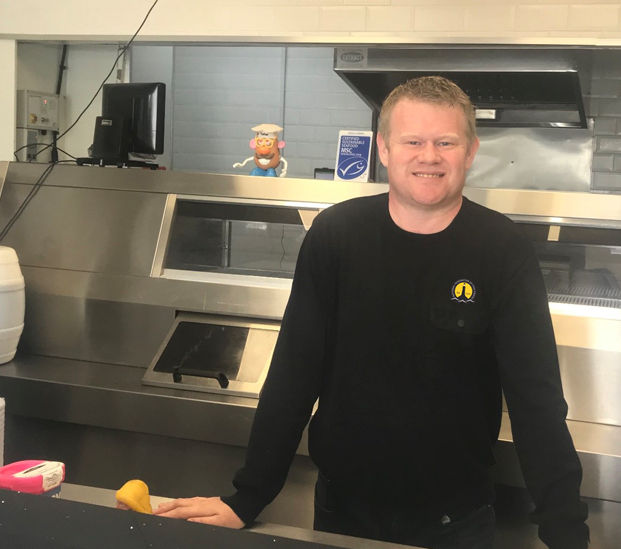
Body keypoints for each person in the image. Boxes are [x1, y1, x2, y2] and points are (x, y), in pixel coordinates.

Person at [155, 76, 589, 549]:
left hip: (457, 523)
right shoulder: (336, 236)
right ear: (384, 149)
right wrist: (248, 496)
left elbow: (537, 404)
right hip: (341, 514)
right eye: (413, 141)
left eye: (446, 141)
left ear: (470, 151)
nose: (429, 156)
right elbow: (294, 375)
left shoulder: (503, 250)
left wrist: (568, 536)